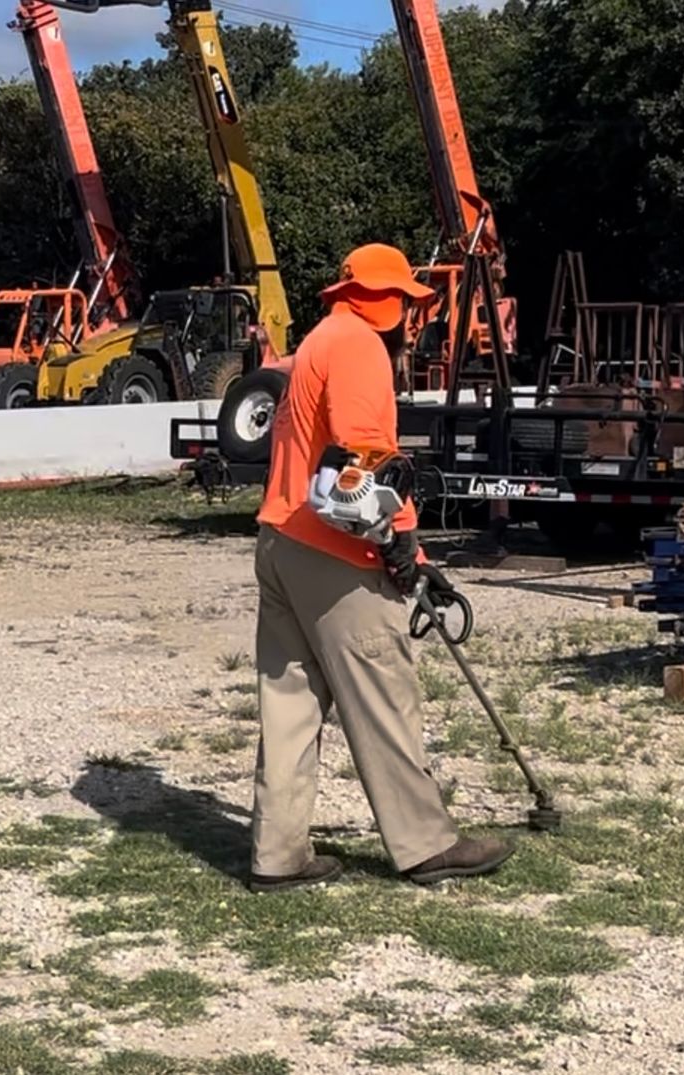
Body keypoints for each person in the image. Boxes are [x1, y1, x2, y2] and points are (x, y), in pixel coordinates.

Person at [247, 243, 512, 893]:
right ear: (388, 304)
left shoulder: (319, 339)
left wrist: (415, 555)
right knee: (382, 692)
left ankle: (276, 855)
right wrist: (402, 548)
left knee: (289, 707)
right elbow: (364, 459)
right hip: (335, 556)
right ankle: (426, 845)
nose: (410, 320)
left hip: (280, 539)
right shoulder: (363, 346)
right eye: (407, 307)